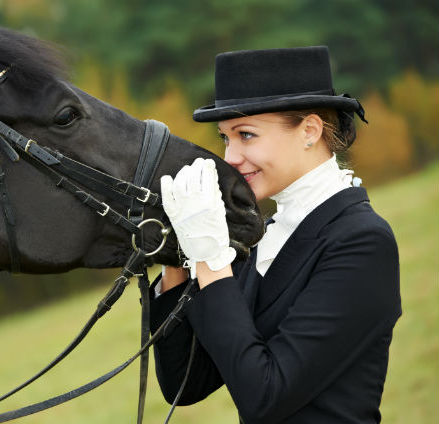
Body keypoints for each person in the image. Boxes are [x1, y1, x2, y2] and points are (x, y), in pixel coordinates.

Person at [151, 46, 401, 423]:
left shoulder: (362, 241)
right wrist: (178, 260)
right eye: (225, 138)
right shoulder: (267, 234)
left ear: (310, 131)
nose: (231, 157)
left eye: (246, 135)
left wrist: (210, 261)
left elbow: (265, 396)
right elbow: (186, 385)